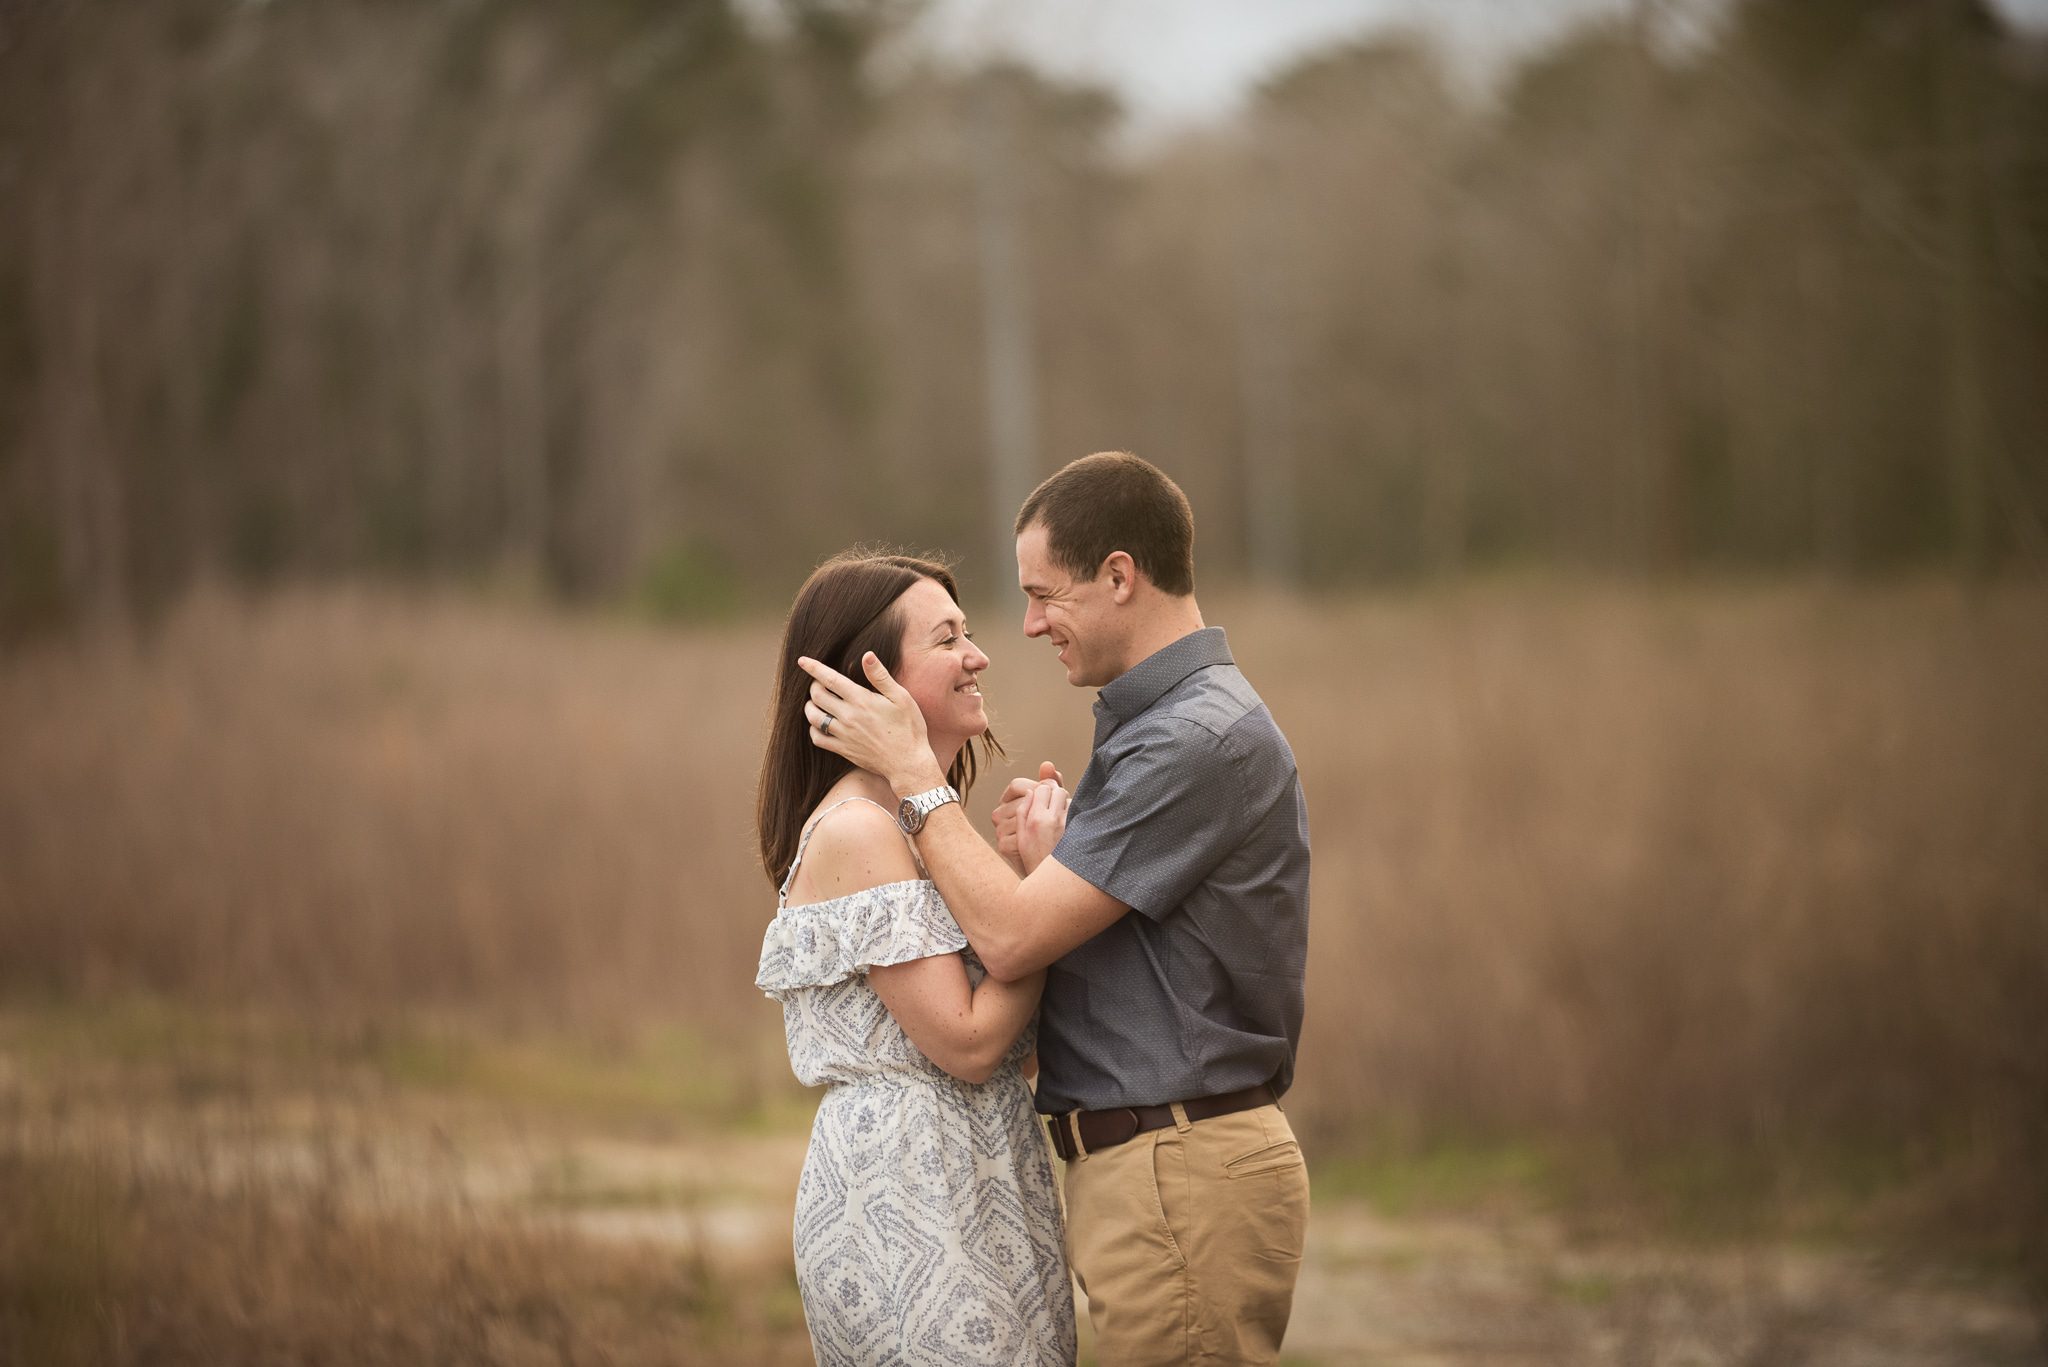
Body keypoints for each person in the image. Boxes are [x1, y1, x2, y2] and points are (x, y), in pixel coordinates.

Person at [799, 452, 1312, 1365]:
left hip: (1176, 1169)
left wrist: (923, 781)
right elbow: (1043, 968)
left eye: (1045, 594)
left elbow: (1009, 941)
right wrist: (1040, 874)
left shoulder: (1193, 738)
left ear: (1120, 576)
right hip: (1139, 1172)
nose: (1025, 626)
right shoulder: (1159, 729)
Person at [754, 550, 1076, 1366]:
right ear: (873, 680)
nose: (979, 655)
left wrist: (1018, 885)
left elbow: (1018, 1046)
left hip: (982, 1167)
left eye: (968, 633)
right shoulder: (861, 830)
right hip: (906, 1186)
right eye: (947, 639)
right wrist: (1039, 895)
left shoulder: (911, 819)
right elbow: (969, 1043)